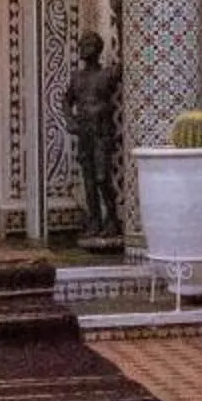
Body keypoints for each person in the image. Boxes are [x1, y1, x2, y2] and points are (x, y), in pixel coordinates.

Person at [62, 30, 125, 247]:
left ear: (96, 49)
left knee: (101, 177)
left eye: (86, 45)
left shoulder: (107, 74)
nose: (82, 49)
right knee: (88, 180)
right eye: (81, 45)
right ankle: (95, 220)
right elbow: (66, 101)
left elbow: (128, 61)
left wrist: (120, 18)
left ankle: (112, 219)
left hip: (102, 131)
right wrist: (70, 121)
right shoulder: (77, 77)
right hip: (85, 132)